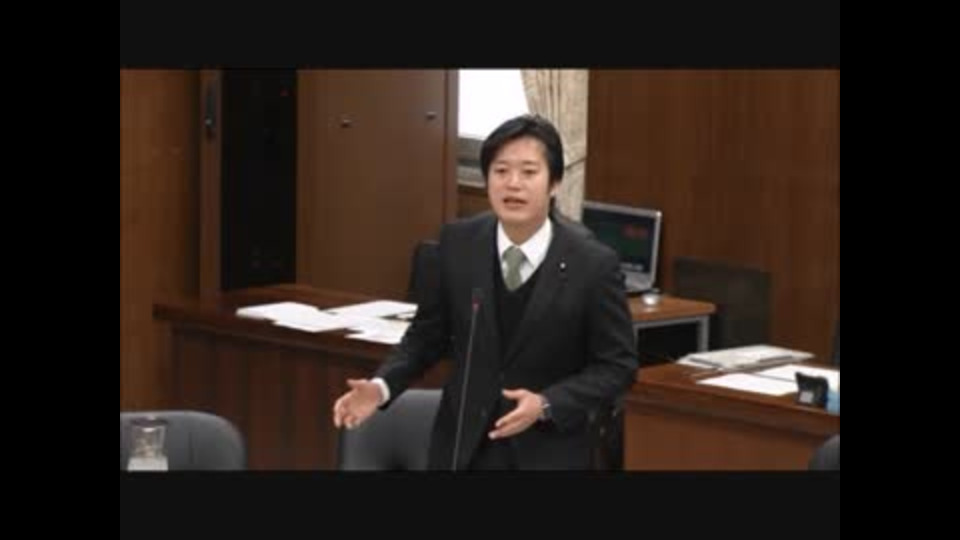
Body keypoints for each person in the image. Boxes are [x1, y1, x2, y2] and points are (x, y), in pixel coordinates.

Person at [332, 114, 638, 470]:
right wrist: (381, 386)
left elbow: (617, 366)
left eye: (528, 172)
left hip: (547, 452)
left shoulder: (593, 264)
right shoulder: (459, 243)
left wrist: (547, 403)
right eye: (501, 171)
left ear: (554, 183)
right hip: (463, 449)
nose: (513, 184)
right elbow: (426, 336)